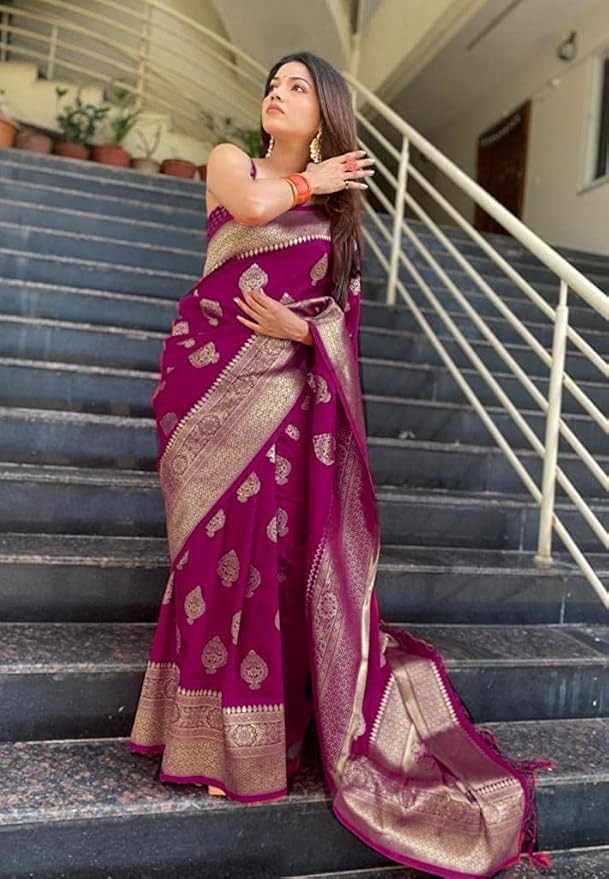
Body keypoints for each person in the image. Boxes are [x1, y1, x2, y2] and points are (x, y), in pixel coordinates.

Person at [127, 51, 555, 878]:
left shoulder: (336, 225)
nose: (276, 94)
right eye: (273, 84)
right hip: (205, 389)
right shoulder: (233, 162)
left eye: (297, 86)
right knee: (208, 557)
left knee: (264, 562)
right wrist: (312, 179)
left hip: (285, 403)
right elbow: (251, 206)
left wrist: (303, 332)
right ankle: (197, 733)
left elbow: (337, 327)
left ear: (324, 110)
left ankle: (255, 745)